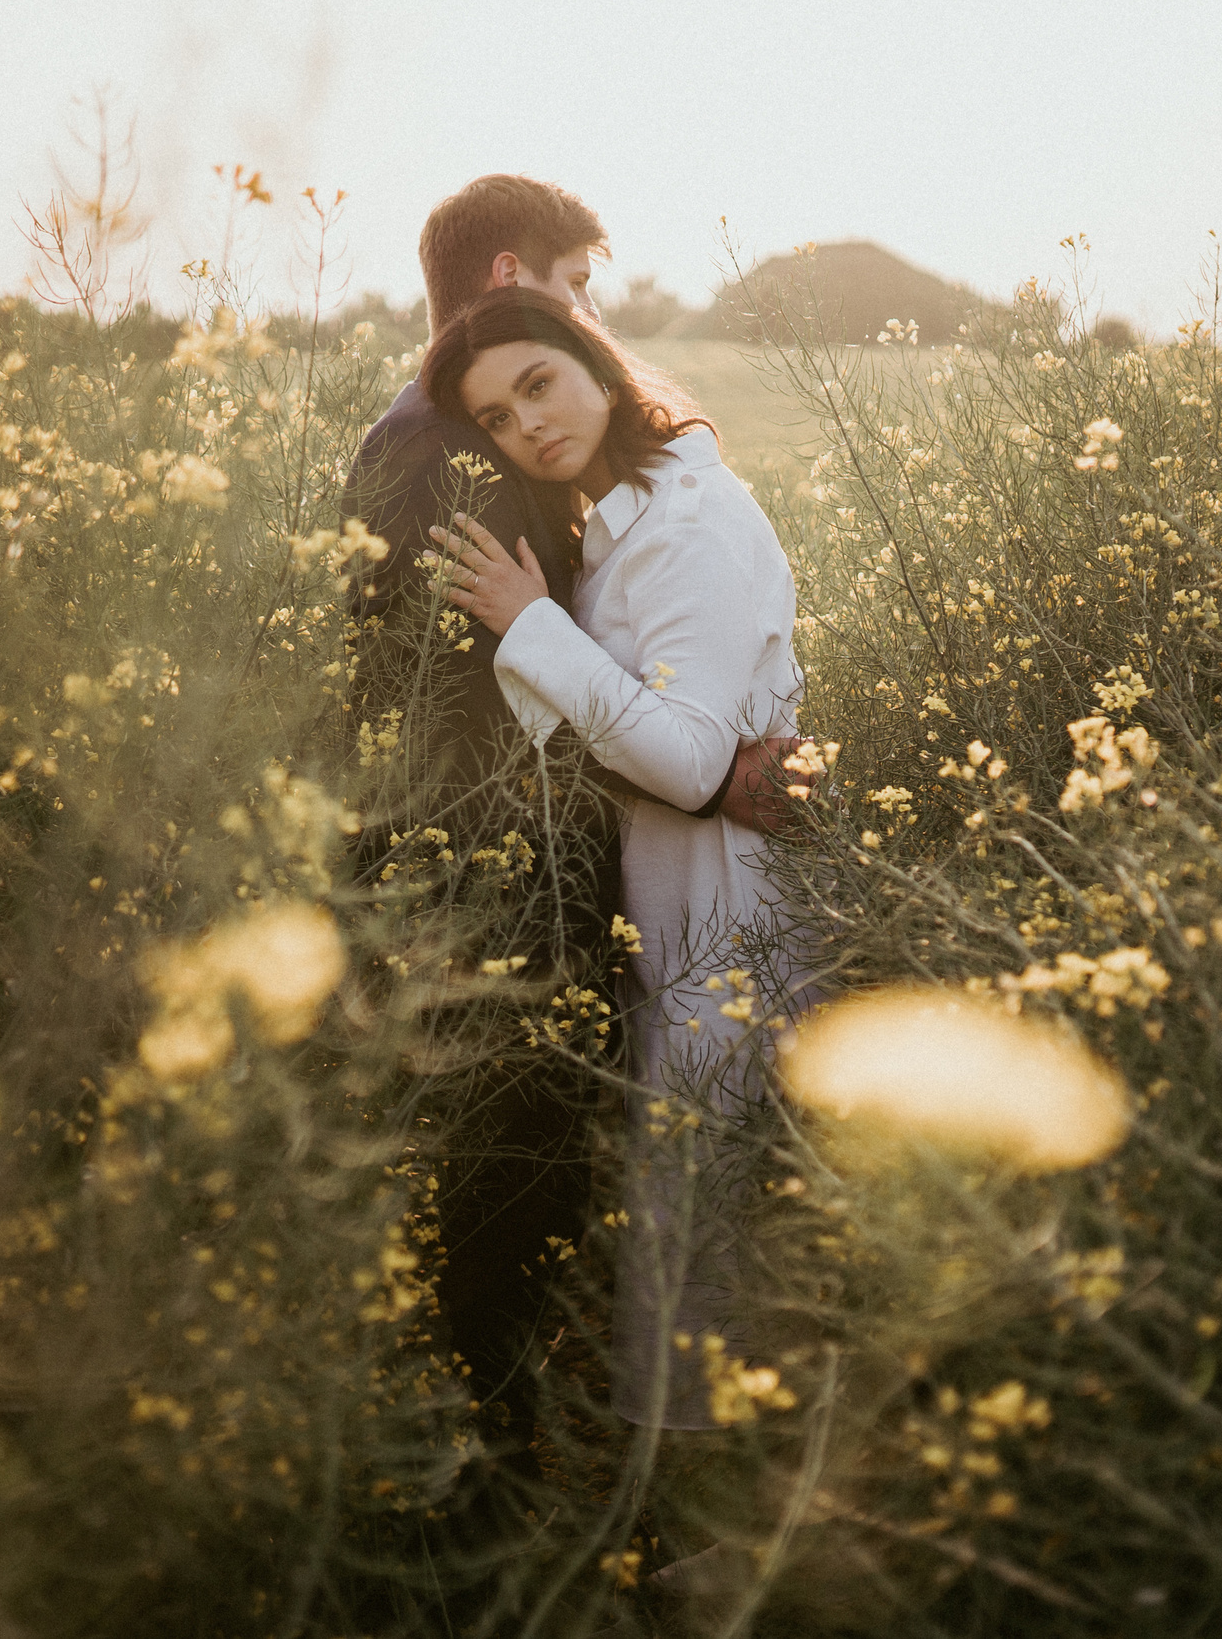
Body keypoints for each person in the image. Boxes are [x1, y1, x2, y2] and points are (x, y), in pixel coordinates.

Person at [422, 286, 804, 1431]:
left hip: (729, 905)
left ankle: (697, 1494)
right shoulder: (618, 518)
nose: (527, 425)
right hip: (674, 908)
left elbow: (688, 760)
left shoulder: (687, 518)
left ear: (594, 362)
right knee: (691, 1235)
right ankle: (686, 1481)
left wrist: (529, 623)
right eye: (496, 417)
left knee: (704, 1250)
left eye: (537, 383)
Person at [340, 174, 655, 1488]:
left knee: (492, 1179)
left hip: (464, 867)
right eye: (577, 285)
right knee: (504, 1179)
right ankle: (491, 1478)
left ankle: (487, 1443)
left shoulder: (419, 430)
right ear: (513, 278)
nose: (589, 315)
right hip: (488, 875)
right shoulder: (450, 457)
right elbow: (472, 698)